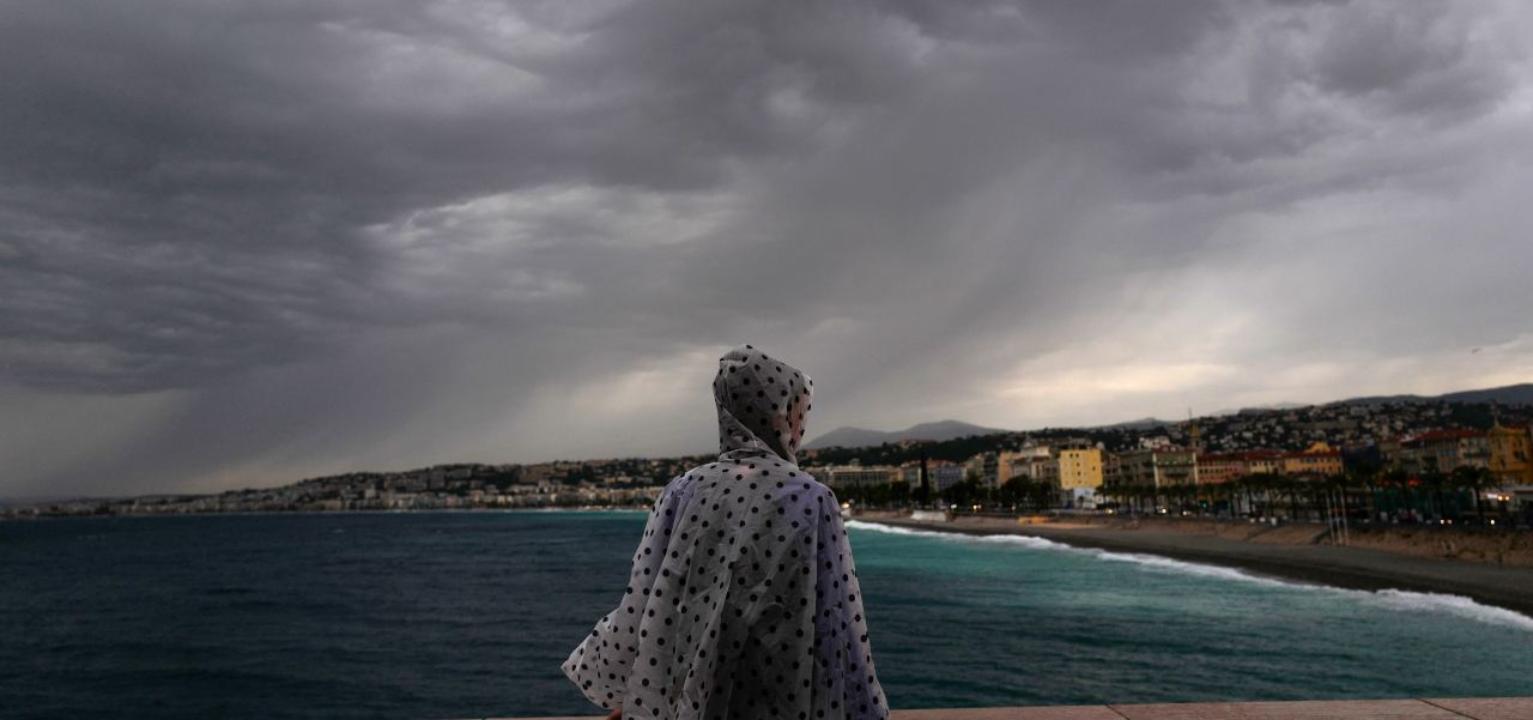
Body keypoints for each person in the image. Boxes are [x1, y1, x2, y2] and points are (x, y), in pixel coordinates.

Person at [562, 345, 889, 720]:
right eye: (798, 414)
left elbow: (645, 598)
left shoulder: (684, 490)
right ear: (777, 415)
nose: (801, 427)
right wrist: (866, 709)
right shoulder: (813, 499)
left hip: (694, 699)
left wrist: (630, 690)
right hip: (784, 696)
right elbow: (840, 621)